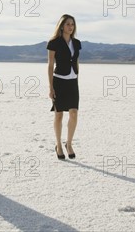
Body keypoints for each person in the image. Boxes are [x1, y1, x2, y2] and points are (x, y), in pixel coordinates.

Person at [47, 14, 81, 160]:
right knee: (59, 114)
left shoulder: (77, 43)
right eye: (67, 24)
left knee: (74, 113)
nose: (70, 27)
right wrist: (51, 87)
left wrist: (77, 76)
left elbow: (77, 62)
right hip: (59, 81)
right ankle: (59, 145)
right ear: (61, 26)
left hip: (72, 81)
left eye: (72, 24)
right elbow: (50, 65)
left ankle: (69, 143)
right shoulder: (54, 42)